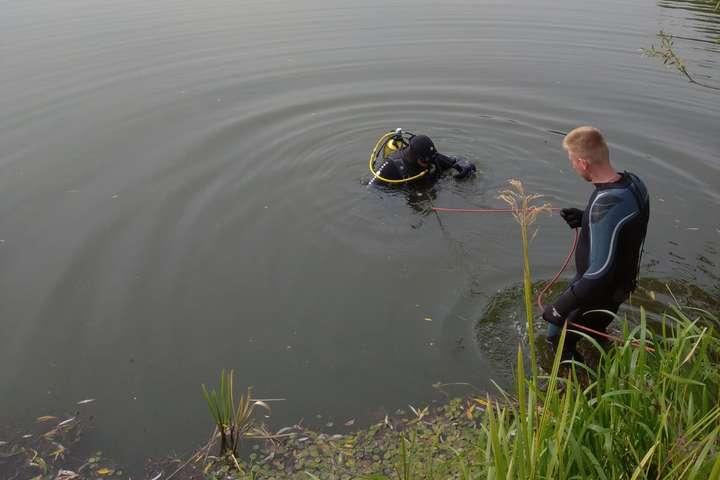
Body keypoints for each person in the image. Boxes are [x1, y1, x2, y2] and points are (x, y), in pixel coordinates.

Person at [542, 126, 650, 360]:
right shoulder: (634, 183)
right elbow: (628, 227)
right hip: (621, 286)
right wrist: (585, 220)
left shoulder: (606, 203)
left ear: (582, 163)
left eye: (571, 160)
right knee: (595, 326)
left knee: (556, 339)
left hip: (599, 291)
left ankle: (581, 388)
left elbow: (598, 273)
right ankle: (609, 360)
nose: (572, 165)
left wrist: (559, 307)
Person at [369, 133, 476, 185]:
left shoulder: (430, 157)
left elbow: (457, 160)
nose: (430, 164)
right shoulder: (391, 166)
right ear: (414, 157)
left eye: (432, 159)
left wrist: (465, 166)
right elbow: (372, 189)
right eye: (426, 161)